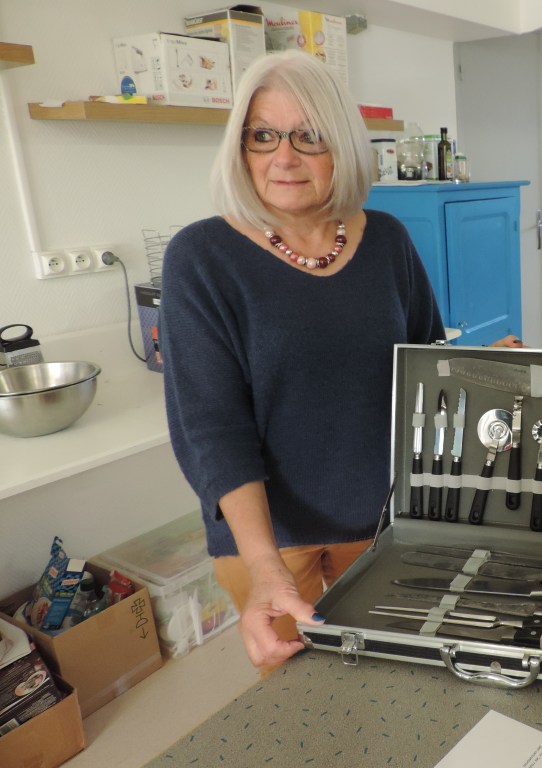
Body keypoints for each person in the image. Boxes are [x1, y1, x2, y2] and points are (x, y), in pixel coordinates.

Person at [160, 50, 520, 674]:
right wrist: (264, 564)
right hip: (271, 541)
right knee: (307, 695)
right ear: (240, 147)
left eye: (310, 136)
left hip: (387, 519)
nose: (284, 157)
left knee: (404, 675)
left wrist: (480, 370)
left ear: (344, 146)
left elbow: (421, 364)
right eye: (263, 136)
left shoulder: (387, 239)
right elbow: (211, 428)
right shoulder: (201, 257)